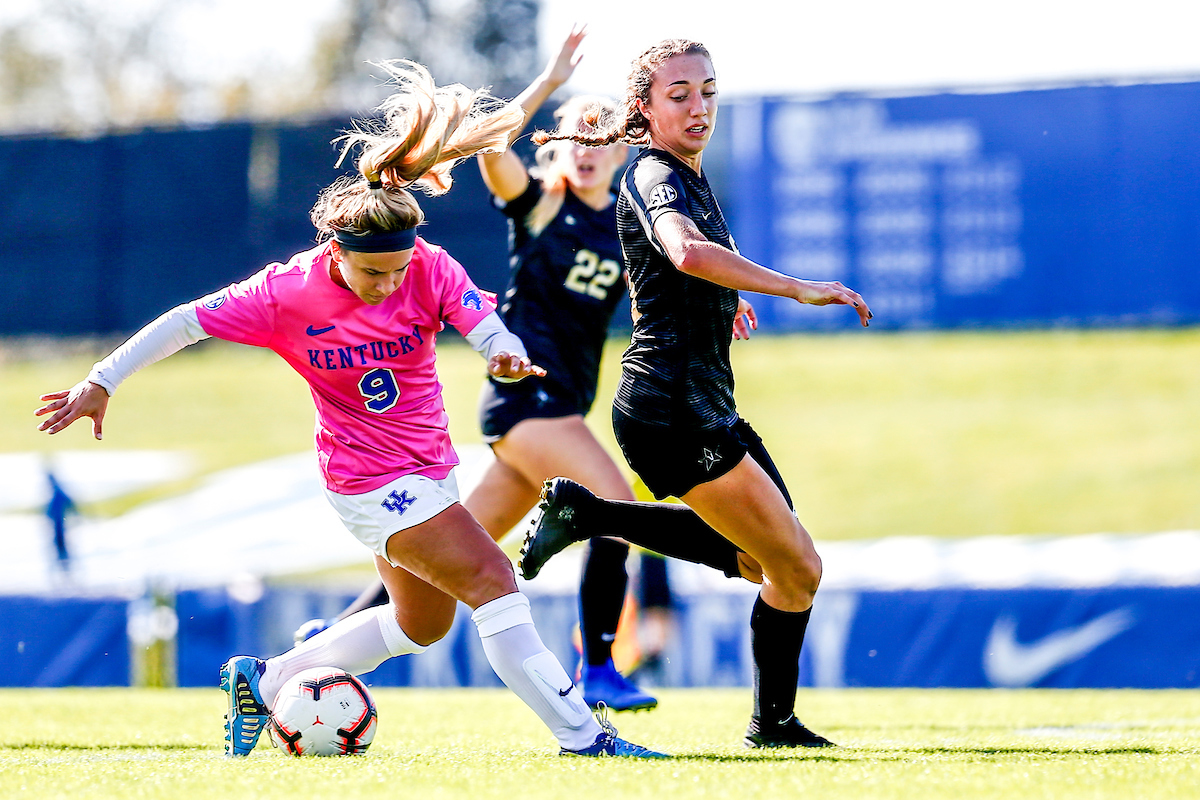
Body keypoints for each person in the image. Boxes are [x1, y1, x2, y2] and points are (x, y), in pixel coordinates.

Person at [34, 60, 665, 761]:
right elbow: (184, 322)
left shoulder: (426, 264)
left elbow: (479, 319)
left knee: (421, 625)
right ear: (335, 250)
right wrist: (103, 379)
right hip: (367, 483)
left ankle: (267, 677)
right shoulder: (283, 293)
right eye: (373, 273)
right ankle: (585, 739)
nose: (388, 284)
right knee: (493, 582)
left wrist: (503, 351)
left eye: (396, 270)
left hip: (429, 472)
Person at [292, 27, 668, 713]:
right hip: (527, 402)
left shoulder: (623, 225)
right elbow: (496, 138)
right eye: (573, 139)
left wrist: (718, 311)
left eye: (603, 137)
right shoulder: (542, 205)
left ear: (624, 149)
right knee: (618, 512)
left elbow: (668, 282)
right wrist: (551, 79)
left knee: (444, 559)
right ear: (552, 147)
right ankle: (599, 671)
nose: (588, 150)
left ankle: (327, 638)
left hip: (562, 410)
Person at [519, 39, 872, 749]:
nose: (699, 106)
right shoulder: (655, 173)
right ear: (644, 109)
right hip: (671, 407)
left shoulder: (685, 172)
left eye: (708, 90)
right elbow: (683, 251)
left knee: (771, 566)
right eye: (679, 93)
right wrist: (791, 286)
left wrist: (721, 303)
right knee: (796, 564)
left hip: (698, 402)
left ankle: (589, 512)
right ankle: (769, 726)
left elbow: (678, 271)